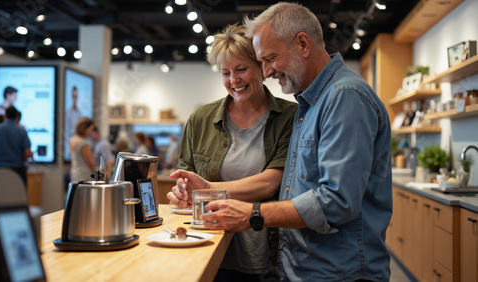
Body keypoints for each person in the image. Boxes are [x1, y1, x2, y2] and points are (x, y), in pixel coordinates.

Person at [186, 3, 393, 281]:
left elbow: (337, 201)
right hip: (305, 269)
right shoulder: (310, 103)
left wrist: (252, 214)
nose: (268, 72)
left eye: (270, 58)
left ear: (303, 44)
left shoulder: (345, 97)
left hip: (339, 274)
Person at [167, 24, 297, 281]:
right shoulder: (200, 119)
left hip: (267, 257)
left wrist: (206, 189)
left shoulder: (288, 117)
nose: (233, 81)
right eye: (225, 73)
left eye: (242, 69)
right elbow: (186, 175)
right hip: (210, 249)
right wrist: (181, 191)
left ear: (261, 67)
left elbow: (271, 183)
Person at [0, 106, 33, 185]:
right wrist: (23, 160)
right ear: (17, 117)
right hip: (17, 171)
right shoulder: (22, 131)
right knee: (19, 196)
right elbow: (28, 153)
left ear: (5, 116)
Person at [65, 86, 82, 157]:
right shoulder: (67, 113)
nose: (75, 99)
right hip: (70, 145)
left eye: (76, 97)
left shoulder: (79, 112)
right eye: (73, 96)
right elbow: (66, 131)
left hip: (78, 145)